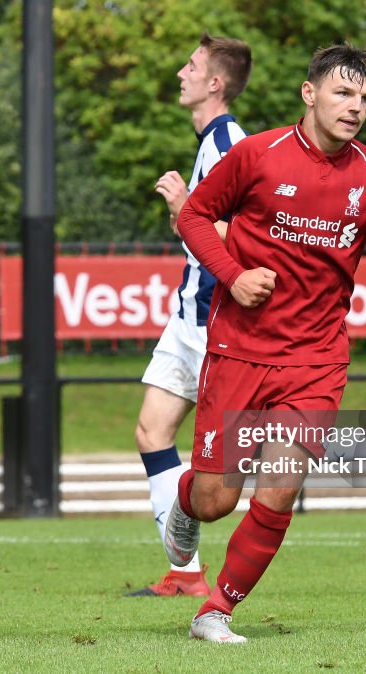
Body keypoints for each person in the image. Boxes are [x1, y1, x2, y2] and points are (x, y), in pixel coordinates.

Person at [164, 44, 366, 642]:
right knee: (216, 499)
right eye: (344, 93)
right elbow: (193, 218)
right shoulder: (256, 154)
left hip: (317, 359)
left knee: (281, 488)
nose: (356, 108)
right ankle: (183, 506)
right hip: (239, 350)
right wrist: (234, 278)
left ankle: (215, 611)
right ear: (309, 92)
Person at [127, 32, 253, 598]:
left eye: (193, 65)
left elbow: (243, 238)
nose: (181, 72)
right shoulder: (208, 142)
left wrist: (182, 208)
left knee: (217, 474)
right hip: (187, 314)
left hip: (215, 323)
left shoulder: (229, 143)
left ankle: (222, 571)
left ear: (215, 83)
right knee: (151, 431)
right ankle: (183, 572)